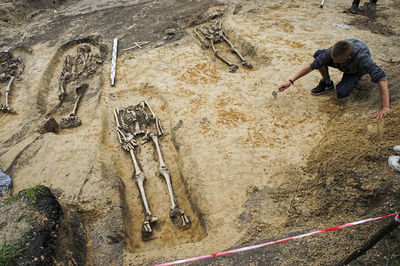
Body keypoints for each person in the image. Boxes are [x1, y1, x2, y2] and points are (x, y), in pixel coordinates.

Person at [278, 39, 390, 118]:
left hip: (354, 71)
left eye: (338, 60)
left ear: (348, 57)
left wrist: (386, 106)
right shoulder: (333, 51)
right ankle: (327, 82)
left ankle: (354, 80)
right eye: (333, 58)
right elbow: (311, 66)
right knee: (319, 55)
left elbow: (382, 78)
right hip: (341, 58)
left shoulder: (363, 59)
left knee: (342, 93)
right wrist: (290, 81)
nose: (334, 62)